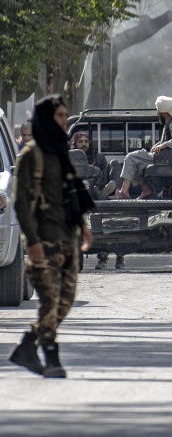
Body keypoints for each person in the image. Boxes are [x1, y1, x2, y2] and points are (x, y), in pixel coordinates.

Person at [9, 95, 93, 378]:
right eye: (59, 116)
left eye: (65, 116)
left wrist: (83, 225)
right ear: (46, 118)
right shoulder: (31, 154)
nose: (64, 121)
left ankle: (28, 344)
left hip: (67, 239)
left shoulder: (60, 152)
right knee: (49, 300)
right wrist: (31, 242)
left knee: (65, 301)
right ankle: (51, 357)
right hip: (43, 240)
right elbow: (20, 202)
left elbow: (72, 194)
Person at [114, 95, 172, 198]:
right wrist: (158, 145)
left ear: (164, 112)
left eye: (159, 111)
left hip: (165, 159)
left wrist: (163, 145)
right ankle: (146, 190)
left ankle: (124, 191)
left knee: (130, 158)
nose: (157, 113)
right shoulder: (169, 123)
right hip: (163, 157)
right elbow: (167, 140)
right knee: (139, 165)